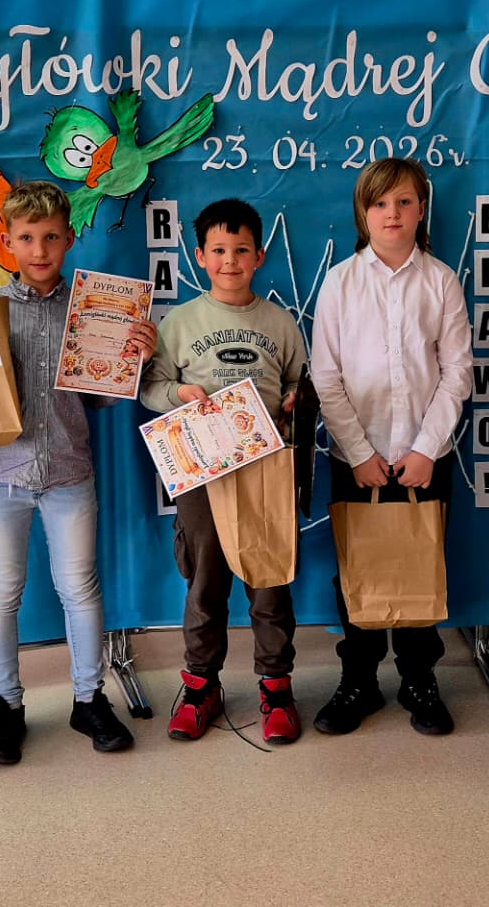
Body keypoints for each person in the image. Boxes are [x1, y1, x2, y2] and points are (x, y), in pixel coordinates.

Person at [0, 181, 155, 764]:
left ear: (70, 238)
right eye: (28, 238)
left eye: (52, 237)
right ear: (7, 241)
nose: (40, 250)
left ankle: (89, 698)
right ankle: (4, 706)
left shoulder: (92, 311)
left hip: (68, 472)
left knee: (79, 589)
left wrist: (132, 358)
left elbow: (100, 399)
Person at [309, 158, 473, 736]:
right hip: (357, 457)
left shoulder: (441, 281)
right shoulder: (340, 282)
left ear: (421, 209)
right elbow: (326, 376)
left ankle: (418, 679)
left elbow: (457, 371)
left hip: (426, 458)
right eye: (379, 203)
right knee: (357, 569)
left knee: (419, 563)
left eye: (404, 202)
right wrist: (358, 453)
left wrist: (427, 448)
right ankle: (358, 680)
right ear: (363, 213)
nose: (392, 213)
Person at [140, 198, 307, 745]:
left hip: (266, 471)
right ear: (199, 256)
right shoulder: (180, 322)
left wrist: (294, 402)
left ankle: (276, 688)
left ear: (259, 256)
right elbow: (150, 389)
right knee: (205, 582)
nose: (229, 261)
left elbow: (299, 384)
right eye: (218, 250)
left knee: (269, 580)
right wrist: (180, 394)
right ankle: (200, 687)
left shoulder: (280, 323)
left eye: (241, 250)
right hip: (202, 472)